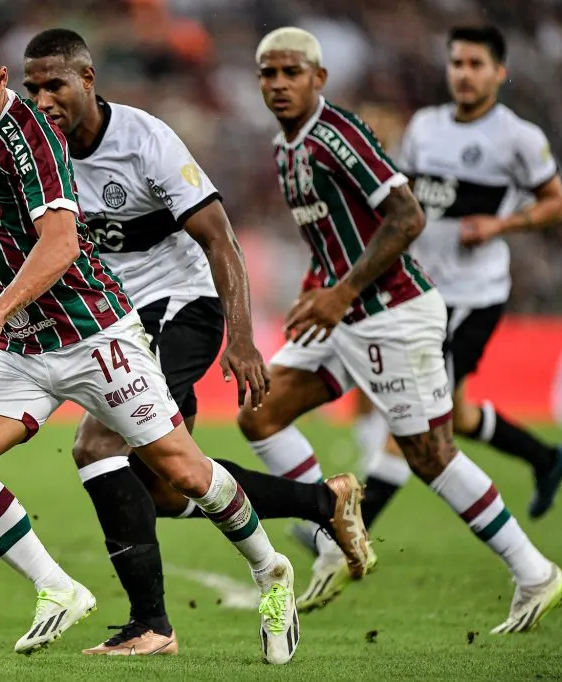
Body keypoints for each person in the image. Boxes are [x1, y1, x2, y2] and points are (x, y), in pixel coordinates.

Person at [0, 20, 298, 663]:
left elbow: (62, 243)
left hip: (95, 334)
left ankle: (271, 570)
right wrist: (1, 320)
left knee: (181, 472)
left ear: (0, 81)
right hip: (26, 344)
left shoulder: (34, 137)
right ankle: (56, 589)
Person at [20, 28, 368, 656]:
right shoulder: (37, 151)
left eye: (55, 85)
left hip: (184, 306)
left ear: (87, 81)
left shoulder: (146, 140)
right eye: (33, 87)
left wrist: (241, 338)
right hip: (116, 319)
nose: (42, 99)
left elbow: (219, 238)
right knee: (164, 484)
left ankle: (151, 625)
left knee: (97, 444)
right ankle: (324, 501)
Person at [241, 26, 562, 633]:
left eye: (292, 73)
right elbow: (333, 235)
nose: (279, 84)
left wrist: (340, 291)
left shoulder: (338, 134)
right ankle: (334, 524)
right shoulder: (285, 147)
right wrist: (319, 286)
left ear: (320, 78)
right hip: (344, 314)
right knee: (259, 413)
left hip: (393, 313)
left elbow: (407, 215)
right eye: (268, 73)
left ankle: (534, 572)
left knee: (430, 454)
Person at [352, 26, 562, 529]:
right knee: (458, 411)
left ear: (499, 72)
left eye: (476, 64)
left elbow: (557, 203)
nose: (465, 74)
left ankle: (349, 529)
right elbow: (404, 200)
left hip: (474, 295)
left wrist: (502, 223)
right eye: (457, 64)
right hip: (424, 288)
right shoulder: (426, 126)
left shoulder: (518, 137)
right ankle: (546, 459)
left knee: (414, 412)